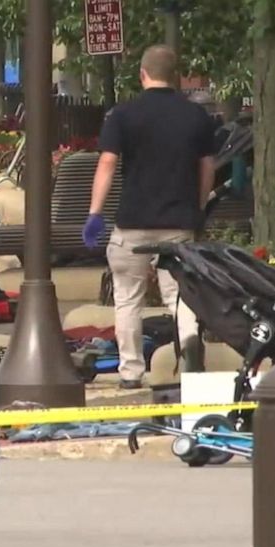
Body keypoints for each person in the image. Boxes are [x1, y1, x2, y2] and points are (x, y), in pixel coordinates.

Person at [83, 44, 216, 389]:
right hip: (179, 224)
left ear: (142, 74)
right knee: (181, 298)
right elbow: (207, 169)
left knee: (128, 298)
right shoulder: (196, 117)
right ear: (177, 77)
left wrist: (95, 214)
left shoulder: (123, 116)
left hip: (132, 223)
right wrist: (198, 208)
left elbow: (108, 164)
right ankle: (190, 362)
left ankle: (130, 372)